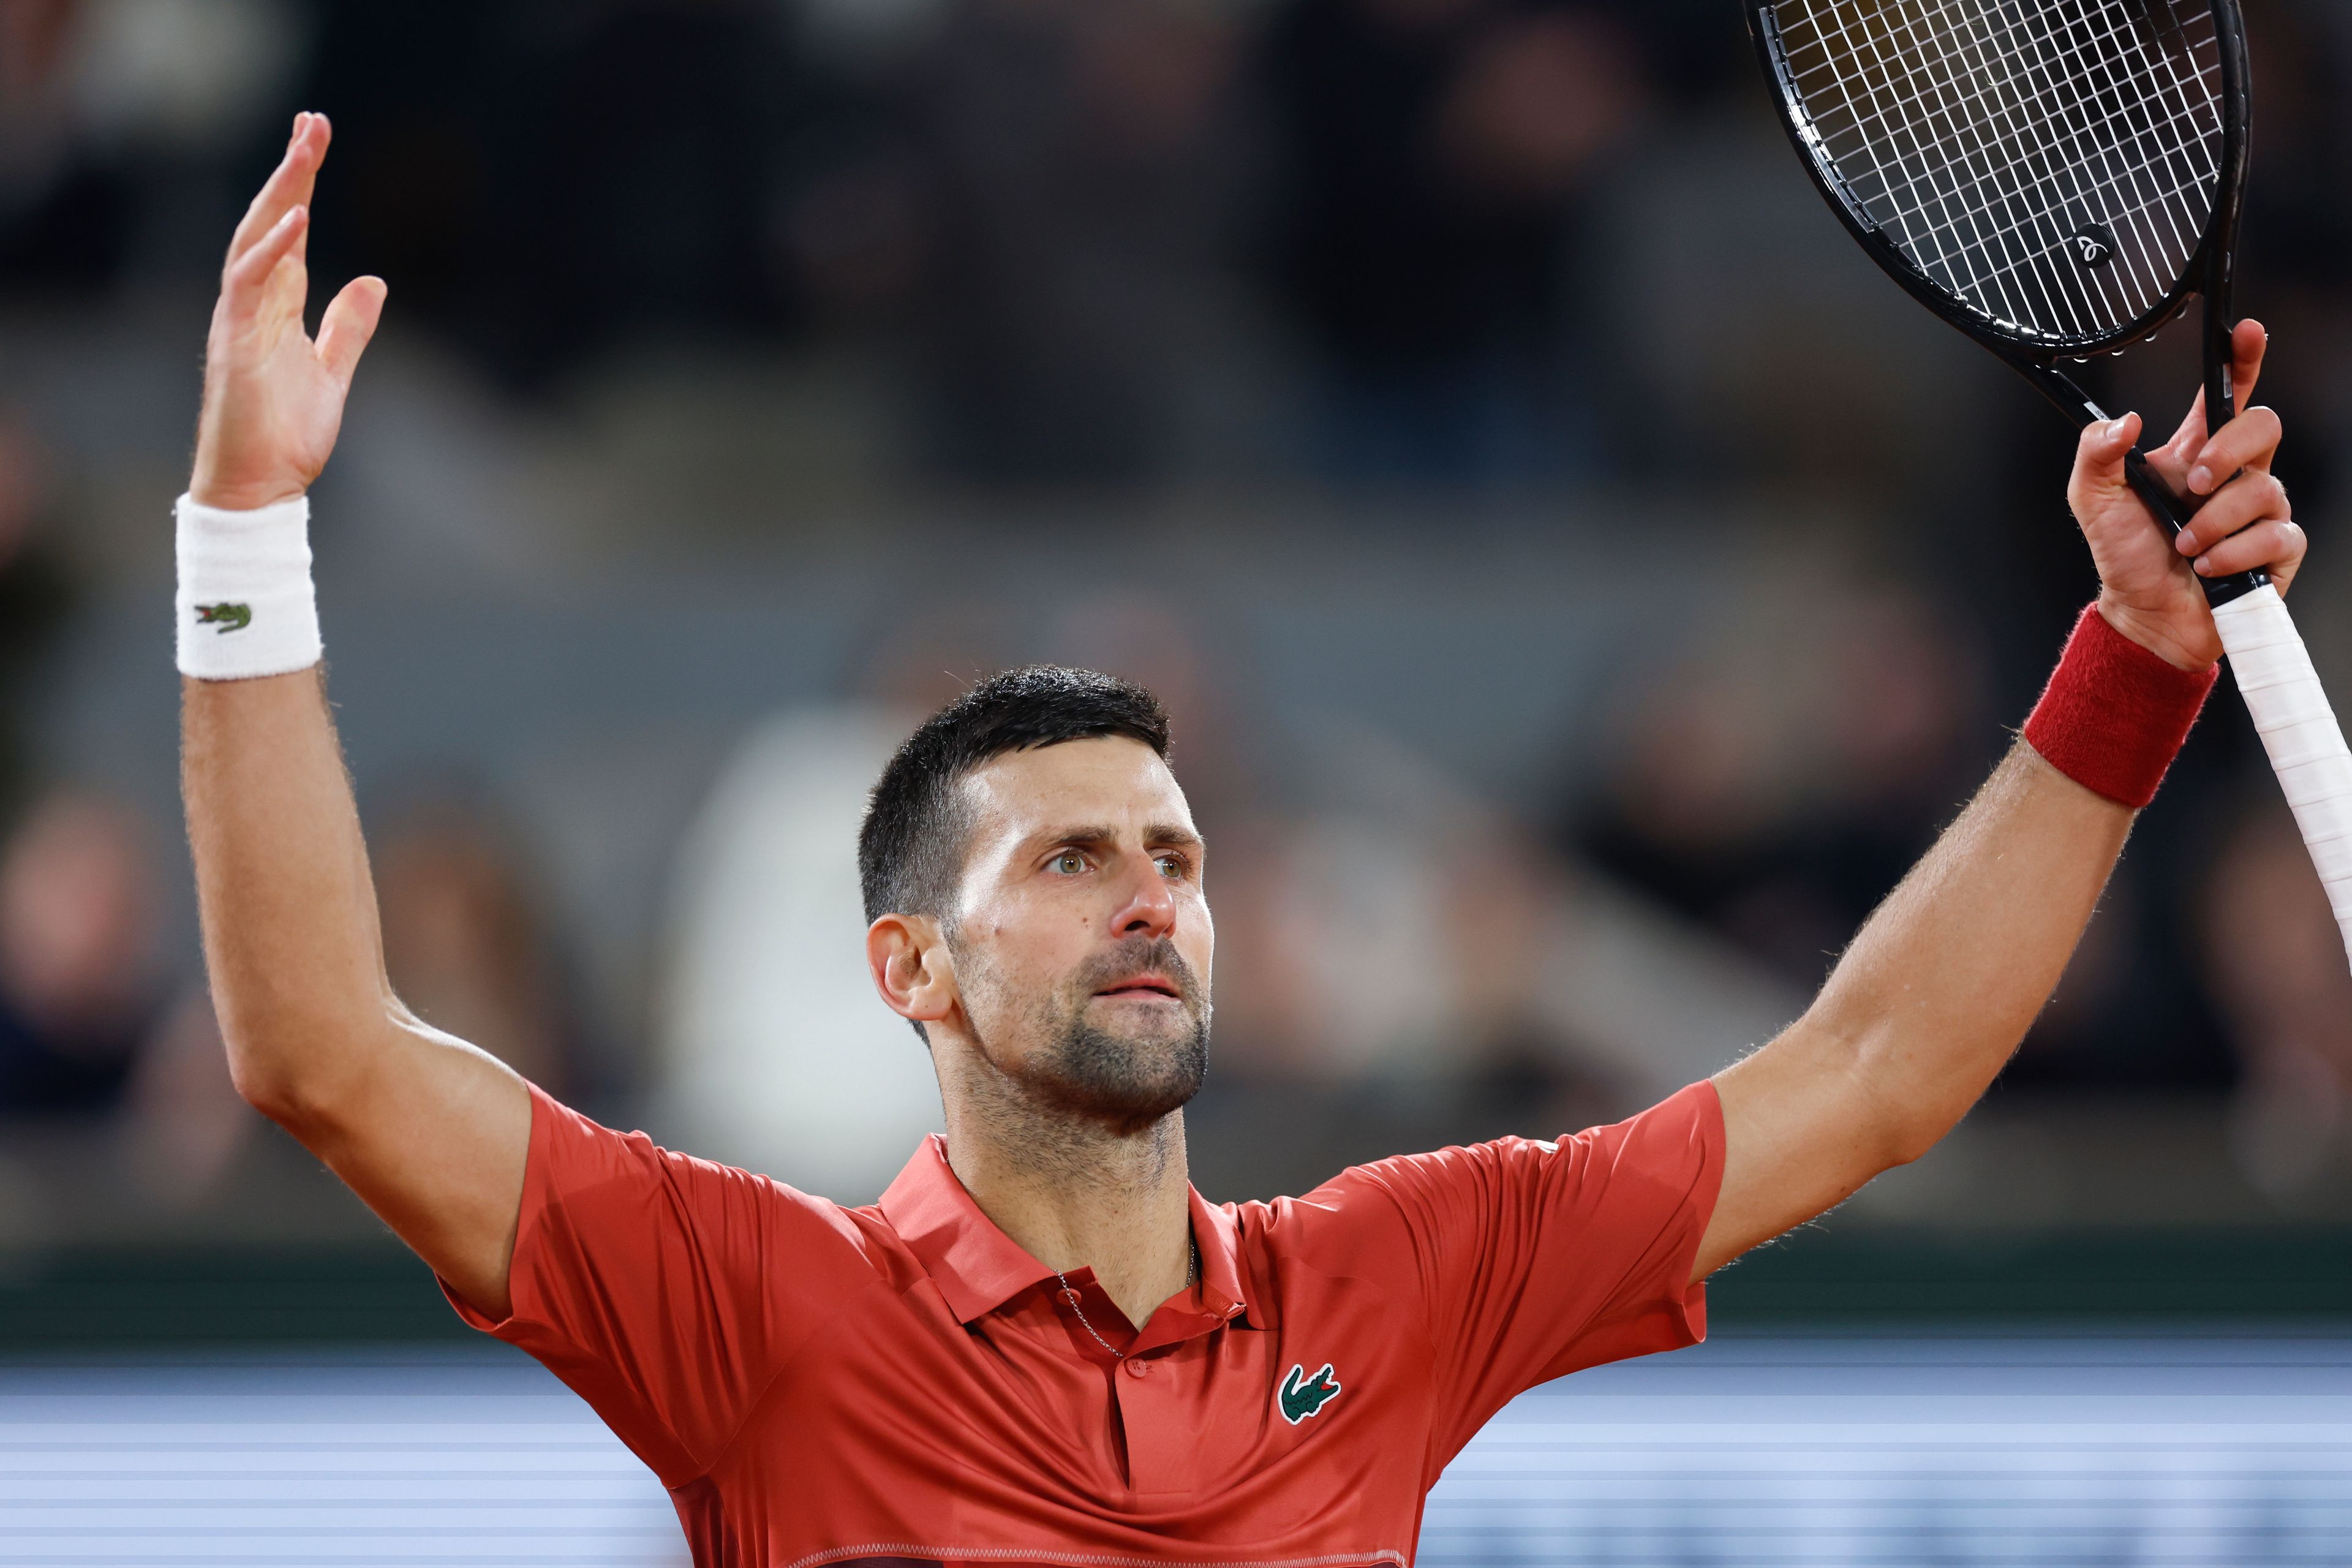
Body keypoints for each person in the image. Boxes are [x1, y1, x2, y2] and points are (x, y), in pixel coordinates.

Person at [181, 116, 2305, 1564]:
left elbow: (1872, 1075)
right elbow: (319, 1052)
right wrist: (246, 533)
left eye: (1178, 856)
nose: (1154, 901)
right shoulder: (753, 1305)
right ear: (909, 968)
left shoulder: (1399, 1276)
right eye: (1072, 860)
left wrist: (2127, 665)